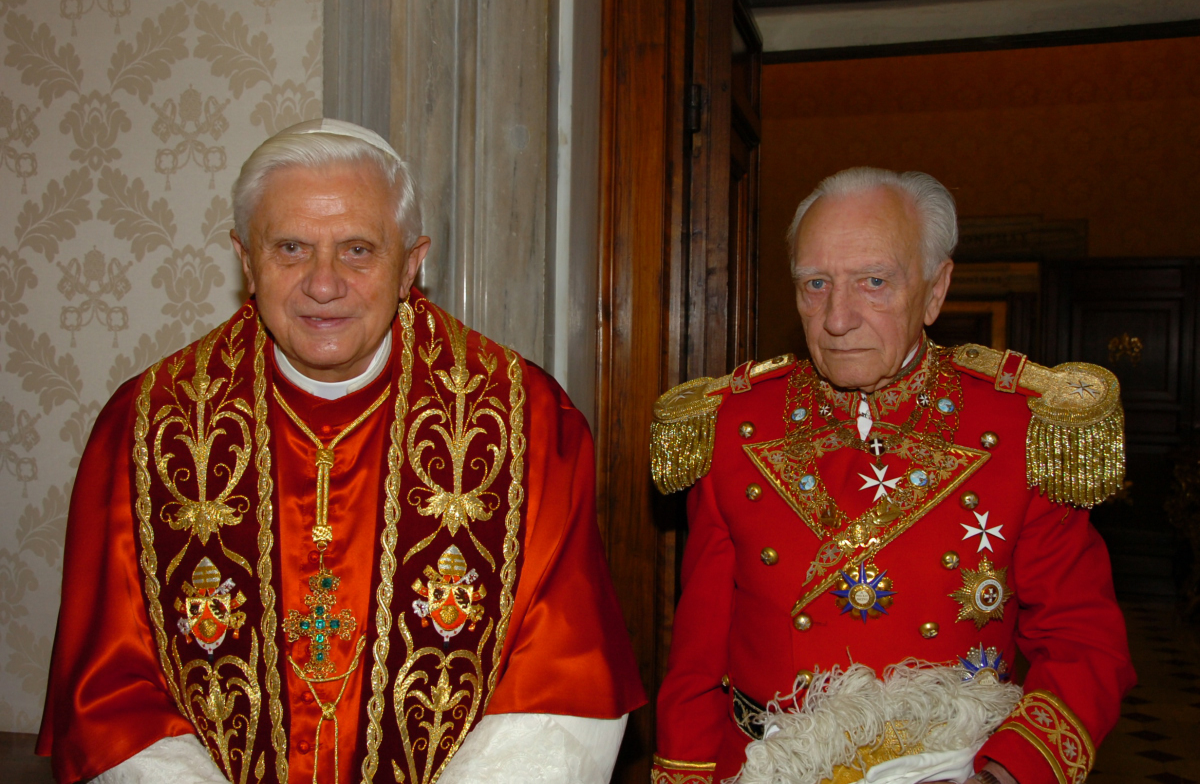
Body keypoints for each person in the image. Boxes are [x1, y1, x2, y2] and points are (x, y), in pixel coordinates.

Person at [36, 118, 645, 784]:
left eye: (358, 250)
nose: (323, 285)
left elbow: (561, 678)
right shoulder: (145, 427)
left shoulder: (529, 424)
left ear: (413, 262)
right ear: (245, 260)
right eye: (291, 248)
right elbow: (110, 692)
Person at [648, 167, 1134, 784]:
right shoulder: (736, 423)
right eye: (815, 284)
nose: (837, 318)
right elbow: (697, 661)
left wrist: (1007, 775)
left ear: (936, 290)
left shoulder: (1020, 426)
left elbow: (1083, 643)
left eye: (874, 282)